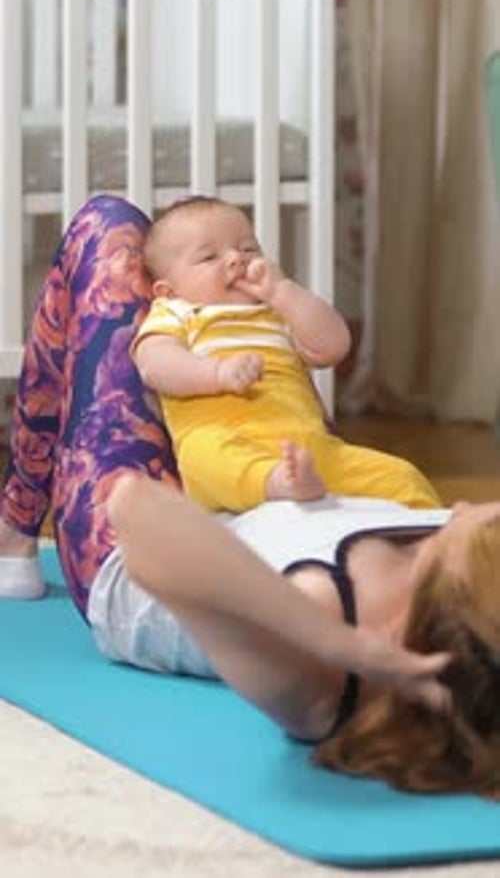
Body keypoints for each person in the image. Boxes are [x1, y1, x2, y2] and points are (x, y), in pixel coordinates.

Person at [1, 194, 498, 799]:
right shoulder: (444, 545)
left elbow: (139, 512)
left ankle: (13, 523)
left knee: (111, 229)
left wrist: (335, 640)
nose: (482, 505)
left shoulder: (323, 667)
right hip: (284, 454)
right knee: (168, 262)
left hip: (143, 550)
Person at [132, 195, 441, 511]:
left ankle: (434, 538)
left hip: (313, 451)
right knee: (205, 455)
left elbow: (333, 346)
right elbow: (154, 364)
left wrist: (282, 291)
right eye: (209, 257)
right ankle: (274, 482)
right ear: (167, 290)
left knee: (401, 475)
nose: (236, 259)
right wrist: (216, 373)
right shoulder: (178, 312)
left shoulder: (276, 312)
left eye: (247, 248)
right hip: (228, 439)